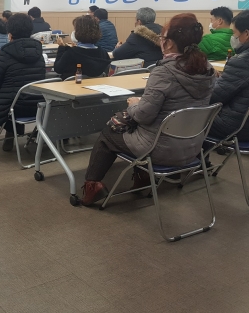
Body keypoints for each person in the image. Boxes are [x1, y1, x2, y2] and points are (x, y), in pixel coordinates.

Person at [81, 13, 216, 206]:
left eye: (162, 38)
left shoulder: (164, 72)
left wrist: (134, 103)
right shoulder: (208, 69)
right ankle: (142, 178)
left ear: (169, 43)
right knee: (141, 128)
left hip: (158, 149)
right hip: (192, 147)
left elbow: (143, 116)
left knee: (109, 133)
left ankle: (92, 187)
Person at [0, 13, 46, 151]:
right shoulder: (39, 53)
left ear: (10, 34)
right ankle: (18, 133)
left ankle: (11, 132)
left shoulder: (5, 54)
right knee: (13, 99)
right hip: (39, 106)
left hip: (14, 107)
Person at [208, 10, 249, 141]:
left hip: (236, 126)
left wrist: (210, 82)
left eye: (234, 33)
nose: (233, 37)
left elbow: (214, 97)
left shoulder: (242, 61)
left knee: (183, 116)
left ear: (246, 34)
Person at [54, 15, 111, 80]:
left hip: (73, 85)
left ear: (78, 32)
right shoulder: (103, 53)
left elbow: (58, 69)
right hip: (96, 84)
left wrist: (61, 47)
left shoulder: (71, 53)